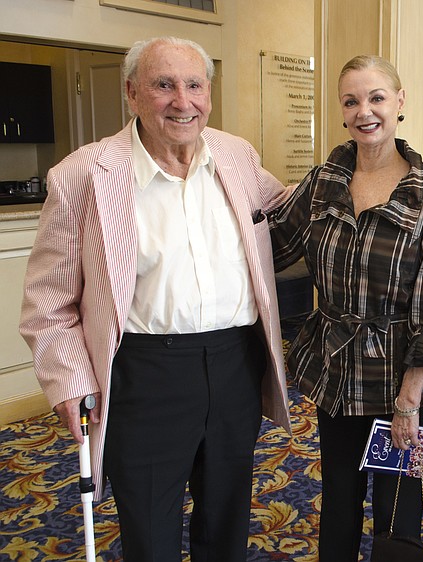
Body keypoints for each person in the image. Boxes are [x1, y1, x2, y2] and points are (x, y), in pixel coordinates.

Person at [19, 36, 291, 561]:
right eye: (163, 85)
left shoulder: (237, 156)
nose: (182, 101)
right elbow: (47, 299)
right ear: (132, 94)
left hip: (236, 363)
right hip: (144, 374)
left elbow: (287, 214)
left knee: (227, 519)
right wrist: (68, 379)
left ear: (208, 93)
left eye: (194, 85)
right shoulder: (82, 175)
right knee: (149, 528)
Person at [267, 54, 423, 561]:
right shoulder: (323, 181)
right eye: (351, 101)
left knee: (399, 510)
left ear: (400, 103)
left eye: (376, 97)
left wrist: (409, 400)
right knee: (340, 500)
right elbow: (269, 245)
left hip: (406, 379)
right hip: (338, 368)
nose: (364, 111)